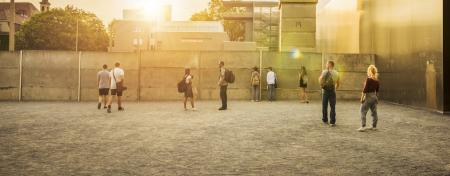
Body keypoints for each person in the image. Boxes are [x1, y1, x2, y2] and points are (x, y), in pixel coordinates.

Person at [357, 65, 380, 132]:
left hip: (368, 97)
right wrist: (377, 99)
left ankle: (363, 126)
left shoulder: (369, 79)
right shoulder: (377, 81)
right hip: (374, 97)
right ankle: (374, 126)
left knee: (362, 111)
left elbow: (365, 90)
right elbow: (377, 92)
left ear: (370, 71)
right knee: (374, 112)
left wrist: (362, 98)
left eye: (368, 70)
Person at [319, 61, 340, 127]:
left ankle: (325, 119)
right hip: (332, 91)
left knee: (324, 106)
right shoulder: (337, 73)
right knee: (332, 106)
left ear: (329, 65)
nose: (326, 65)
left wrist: (322, 85)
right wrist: (334, 89)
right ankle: (332, 121)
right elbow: (338, 83)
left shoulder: (324, 71)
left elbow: (320, 80)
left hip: (325, 91)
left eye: (327, 64)